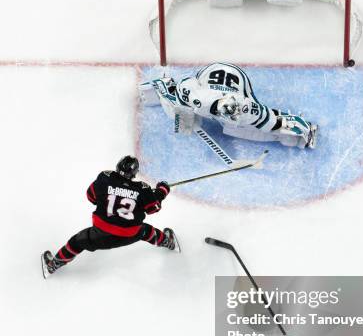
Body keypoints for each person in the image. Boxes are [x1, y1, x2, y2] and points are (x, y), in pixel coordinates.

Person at [41, 155, 179, 278]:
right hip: (131, 233)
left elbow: (91, 196)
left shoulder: (105, 177)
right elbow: (153, 208)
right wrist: (161, 191)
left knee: (76, 242)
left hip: (100, 233)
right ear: (135, 173)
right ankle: (169, 243)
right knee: (147, 231)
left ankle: (54, 265)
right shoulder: (143, 189)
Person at [140, 62, 318, 149]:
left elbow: (268, 118)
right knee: (179, 112)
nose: (234, 117)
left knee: (236, 128)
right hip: (209, 74)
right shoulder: (198, 98)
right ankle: (185, 117)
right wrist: (164, 87)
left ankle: (286, 137)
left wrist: (293, 126)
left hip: (238, 80)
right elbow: (184, 85)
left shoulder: (246, 108)